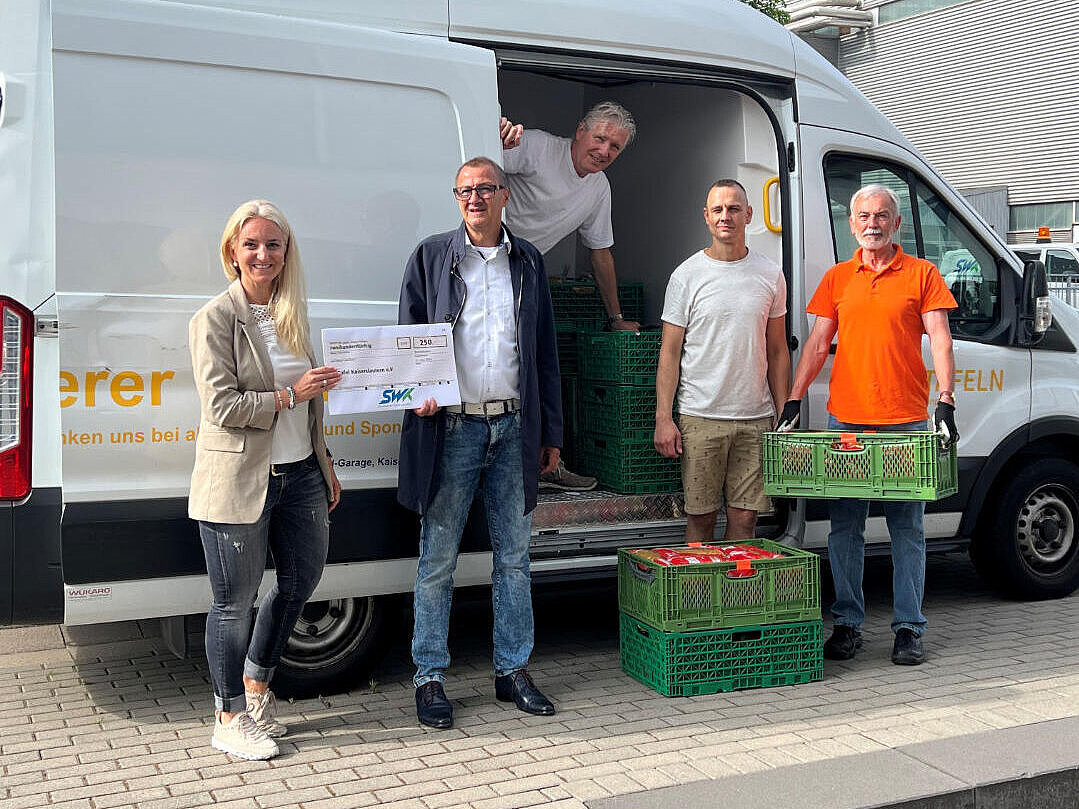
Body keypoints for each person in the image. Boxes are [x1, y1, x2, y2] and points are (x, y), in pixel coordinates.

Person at [397, 157, 562, 729]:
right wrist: (416, 390)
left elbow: (544, 352)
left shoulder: (529, 261)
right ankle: (429, 678)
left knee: (514, 558)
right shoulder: (431, 257)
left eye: (485, 189)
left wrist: (552, 432)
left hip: (515, 428)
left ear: (504, 195)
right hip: (454, 429)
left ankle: (512, 671)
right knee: (436, 558)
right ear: (456, 197)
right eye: (465, 190)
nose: (475, 198)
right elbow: (409, 340)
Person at [777, 183, 958, 667]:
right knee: (845, 529)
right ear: (851, 223)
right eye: (863, 216)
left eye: (881, 216)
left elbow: (940, 339)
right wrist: (794, 399)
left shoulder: (923, 273)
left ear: (896, 224)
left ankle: (908, 629)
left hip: (905, 423)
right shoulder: (838, 278)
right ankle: (849, 625)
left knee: (907, 530)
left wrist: (945, 399)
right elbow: (818, 345)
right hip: (848, 423)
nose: (872, 223)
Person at [188, 200, 343, 760]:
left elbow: (309, 408)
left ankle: (257, 684)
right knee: (234, 602)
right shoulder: (214, 318)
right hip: (238, 480)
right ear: (232, 251)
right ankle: (228, 716)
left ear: (286, 253)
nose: (262, 254)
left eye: (273, 244)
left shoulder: (292, 314)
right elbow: (222, 406)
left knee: (301, 582)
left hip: (300, 474)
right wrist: (288, 395)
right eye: (251, 244)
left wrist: (323, 464)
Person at [500, 101, 637, 491]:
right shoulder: (539, 147)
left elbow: (600, 253)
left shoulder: (598, 188)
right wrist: (496, 135)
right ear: (580, 131)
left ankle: (547, 462)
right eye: (600, 138)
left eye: (615, 147)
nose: (605, 151)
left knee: (543, 366)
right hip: (492, 266)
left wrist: (615, 317)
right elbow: (481, 168)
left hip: (527, 272)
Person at [654, 180, 789, 541]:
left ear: (748, 214)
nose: (725, 216)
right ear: (706, 217)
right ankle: (700, 597)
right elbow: (669, 352)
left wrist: (785, 413)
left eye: (733, 209)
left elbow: (777, 349)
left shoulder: (770, 274)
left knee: (745, 520)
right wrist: (664, 419)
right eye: (717, 209)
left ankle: (734, 596)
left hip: (755, 419)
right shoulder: (686, 276)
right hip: (700, 417)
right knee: (700, 519)